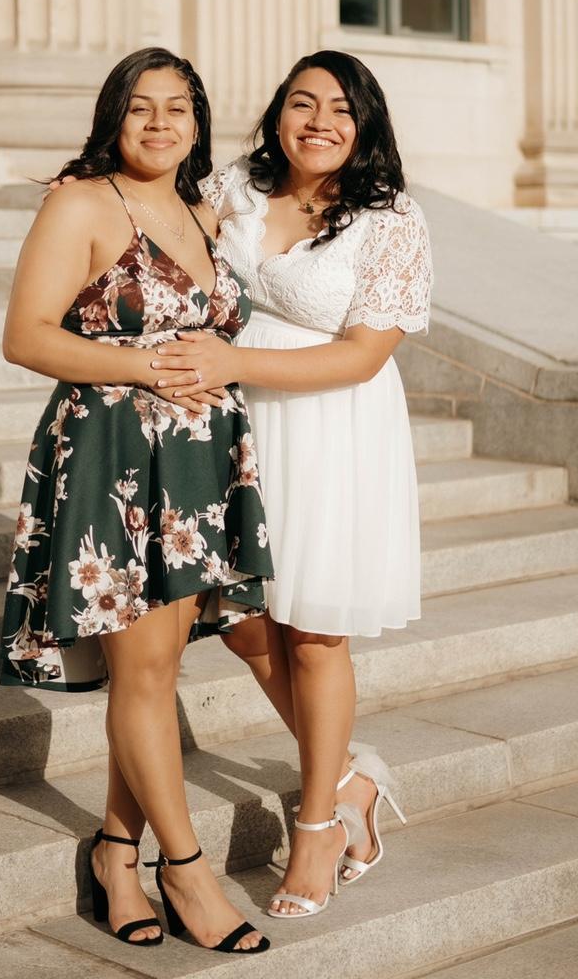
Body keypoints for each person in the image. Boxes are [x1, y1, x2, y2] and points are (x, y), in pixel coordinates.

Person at [0, 47, 273, 954]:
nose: (160, 123)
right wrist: (146, 365)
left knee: (156, 670)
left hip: (198, 466)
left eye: (179, 108)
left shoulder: (201, 207)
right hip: (115, 457)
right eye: (141, 108)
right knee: (145, 672)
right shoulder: (81, 201)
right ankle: (185, 869)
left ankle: (119, 849)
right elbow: (26, 337)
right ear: (114, 117)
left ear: (199, 121)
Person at [149, 50, 432, 919]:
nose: (319, 121)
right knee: (241, 622)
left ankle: (318, 824)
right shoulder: (238, 186)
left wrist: (232, 357)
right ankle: (352, 780)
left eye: (341, 109)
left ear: (365, 125)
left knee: (312, 633)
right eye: (302, 103)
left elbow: (364, 352)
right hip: (239, 427)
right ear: (278, 113)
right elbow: (157, 217)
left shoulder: (391, 220)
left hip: (330, 428)